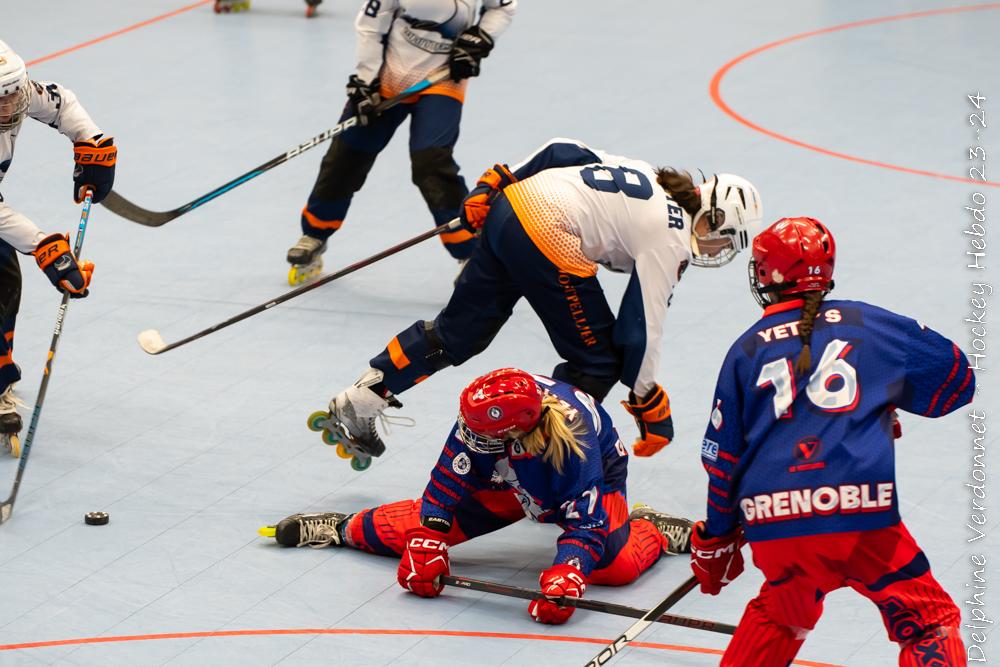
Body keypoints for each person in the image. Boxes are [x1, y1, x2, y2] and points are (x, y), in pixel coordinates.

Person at [323, 137, 762, 464]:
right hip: (551, 236)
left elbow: (565, 149)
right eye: (722, 240)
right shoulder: (673, 238)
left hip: (511, 206)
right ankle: (532, 460)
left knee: (461, 331)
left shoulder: (648, 174)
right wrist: (646, 397)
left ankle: (364, 396)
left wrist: (497, 179)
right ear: (713, 218)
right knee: (598, 363)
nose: (715, 251)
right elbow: (642, 326)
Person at [688, 217, 974, 666]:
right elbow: (957, 382)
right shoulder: (867, 323)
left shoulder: (744, 350)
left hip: (778, 524)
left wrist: (716, 541)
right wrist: (882, 395)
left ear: (766, 276)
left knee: (781, 615)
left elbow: (723, 461)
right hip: (862, 517)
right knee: (928, 620)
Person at [262, 368, 694, 624]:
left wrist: (568, 572)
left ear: (516, 428)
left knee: (611, 568)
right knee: (413, 533)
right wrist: (429, 537)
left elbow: (585, 522)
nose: (467, 436)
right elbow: (447, 481)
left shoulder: (573, 443)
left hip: (579, 485)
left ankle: (650, 529)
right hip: (509, 477)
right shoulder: (483, 421)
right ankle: (341, 528)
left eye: (479, 433)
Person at [285, 0, 518, 284]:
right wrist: (364, 81)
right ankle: (315, 233)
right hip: (389, 73)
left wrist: (481, 36)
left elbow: (503, 7)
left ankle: (471, 252)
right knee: (348, 153)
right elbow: (370, 23)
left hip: (443, 79)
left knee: (431, 164)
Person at [0, 40, 114, 457]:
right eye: (3, 100)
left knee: (4, 284)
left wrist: (92, 143)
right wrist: (47, 247)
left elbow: (61, 102)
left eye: (15, 94)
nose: (12, 107)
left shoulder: (15, 91)